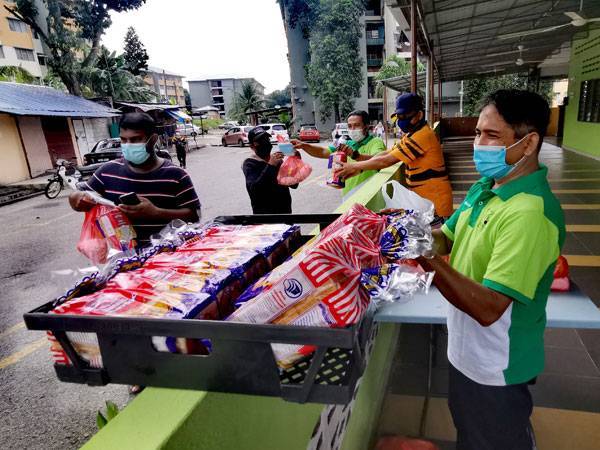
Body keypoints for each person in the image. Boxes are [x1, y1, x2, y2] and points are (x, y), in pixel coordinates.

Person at [414, 90, 564, 449]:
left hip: (496, 367)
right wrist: (412, 232)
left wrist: (420, 252)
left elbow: (489, 308)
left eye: (492, 136)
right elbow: (447, 239)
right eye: (478, 133)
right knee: (470, 432)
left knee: (494, 438)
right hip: (466, 354)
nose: (478, 144)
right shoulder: (487, 188)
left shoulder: (529, 214)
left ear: (528, 144)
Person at [69, 112, 201, 247]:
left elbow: (194, 215)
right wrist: (76, 199)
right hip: (124, 259)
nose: (128, 145)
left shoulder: (176, 175)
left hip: (168, 256)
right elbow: (79, 195)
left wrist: (156, 212)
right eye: (123, 140)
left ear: (153, 139)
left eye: (135, 139)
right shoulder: (107, 171)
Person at [334, 94, 453, 218]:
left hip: (435, 202)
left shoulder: (422, 136)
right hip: (424, 200)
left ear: (419, 115)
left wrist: (353, 167)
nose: (401, 121)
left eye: (405, 116)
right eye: (399, 117)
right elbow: (387, 153)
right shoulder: (411, 134)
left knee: (435, 235)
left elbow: (386, 161)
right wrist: (357, 160)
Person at [291, 110, 386, 197]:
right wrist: (304, 145)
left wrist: (357, 156)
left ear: (366, 126)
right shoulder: (345, 143)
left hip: (370, 196)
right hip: (349, 195)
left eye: (357, 125)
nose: (352, 129)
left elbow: (379, 160)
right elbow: (323, 152)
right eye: (349, 126)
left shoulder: (376, 142)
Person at [242, 126, 296, 214]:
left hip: (285, 214)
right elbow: (255, 190)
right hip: (265, 218)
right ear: (252, 146)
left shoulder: (278, 160)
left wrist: (293, 161)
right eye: (260, 141)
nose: (265, 143)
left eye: (266, 139)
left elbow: (293, 184)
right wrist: (271, 165)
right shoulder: (249, 163)